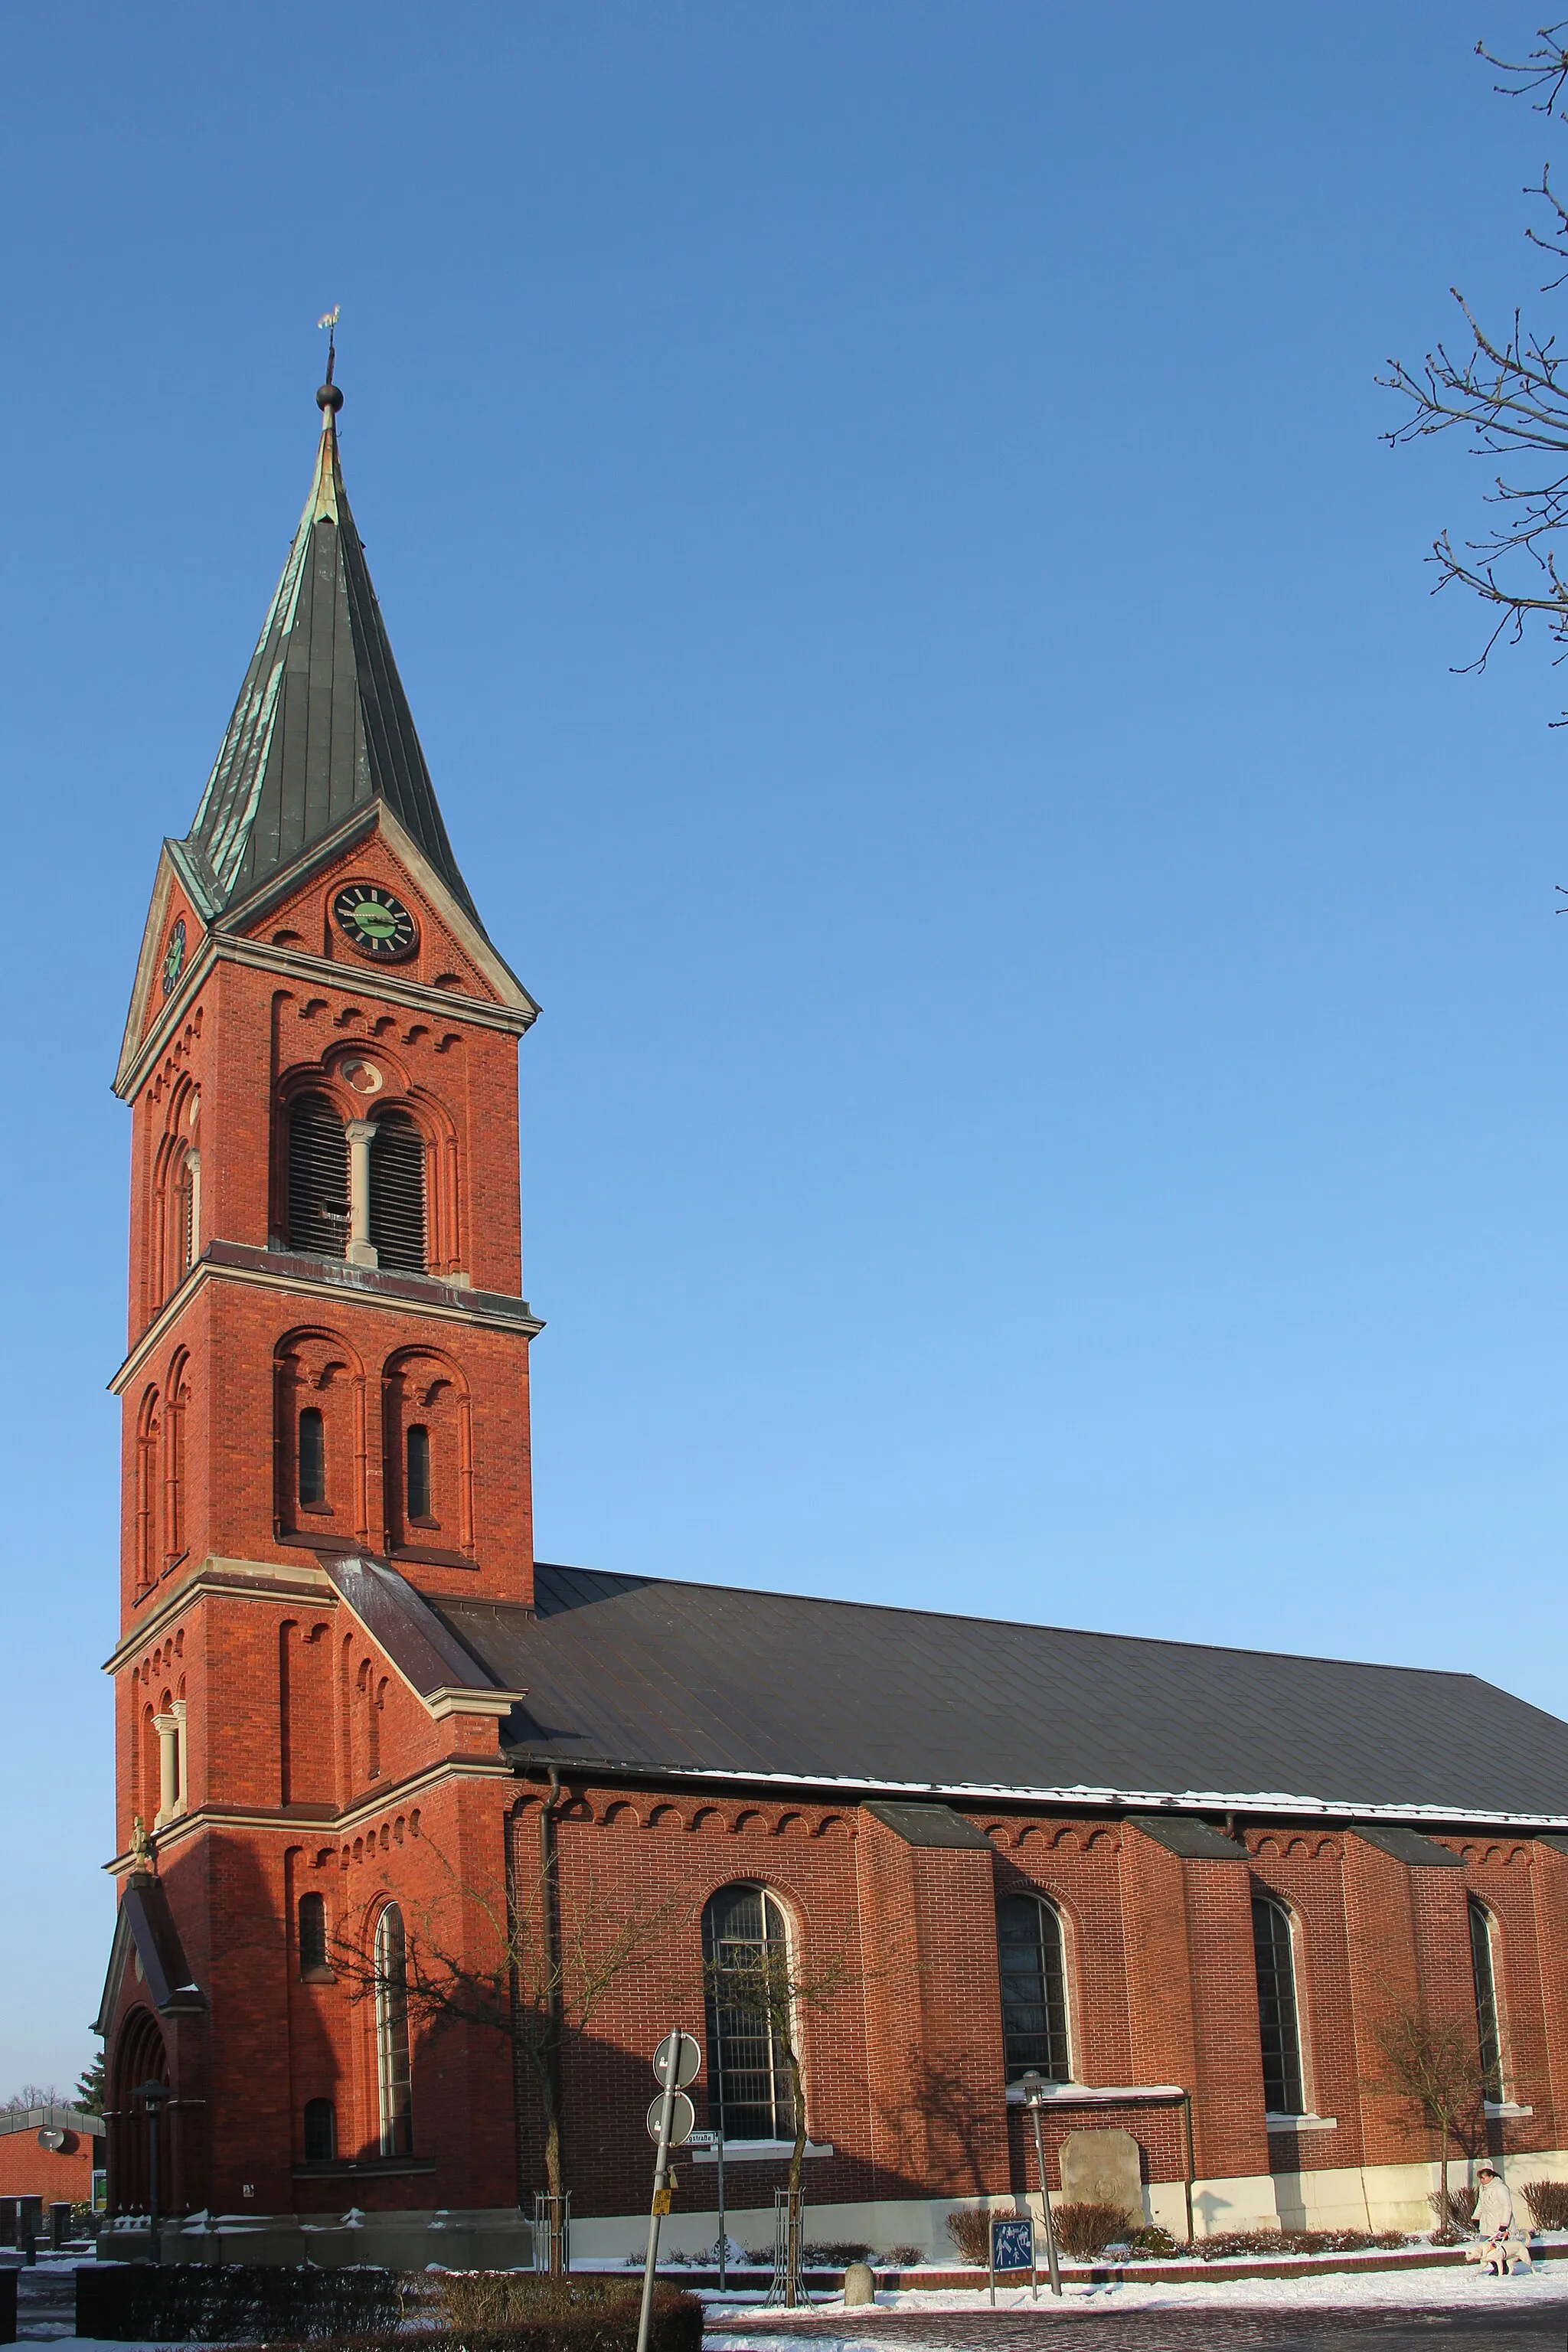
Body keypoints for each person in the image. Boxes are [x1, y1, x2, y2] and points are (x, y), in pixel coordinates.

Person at [1469, 2164, 1533, 2276]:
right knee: (1484, 2244)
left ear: (1491, 2177)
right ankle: (1495, 2266)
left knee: (1499, 2248)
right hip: (1487, 2222)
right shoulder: (1483, 2189)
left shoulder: (1501, 2188)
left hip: (1499, 2222)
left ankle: (1502, 2269)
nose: (1481, 2181)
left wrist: (1504, 2224)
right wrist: (1476, 2217)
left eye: (1483, 2178)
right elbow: (1481, 2204)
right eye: (1480, 2178)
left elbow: (1507, 2206)